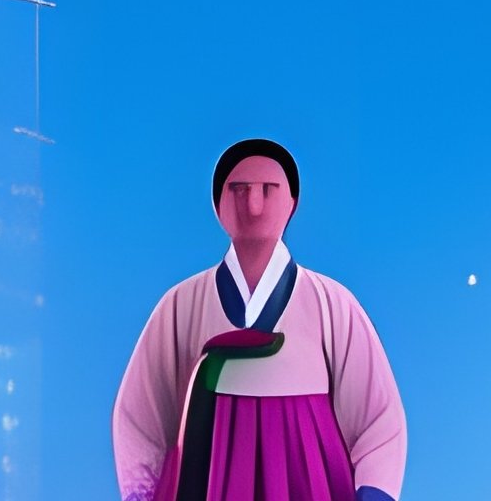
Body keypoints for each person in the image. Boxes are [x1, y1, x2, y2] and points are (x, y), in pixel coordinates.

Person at [113, 138, 406, 501]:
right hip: (209, 472)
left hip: (310, 478)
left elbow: (378, 416)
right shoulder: (182, 303)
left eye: (269, 190)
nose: (253, 205)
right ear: (218, 206)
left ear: (292, 204)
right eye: (239, 190)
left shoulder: (332, 302)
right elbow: (141, 415)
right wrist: (141, 493)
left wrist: (374, 492)